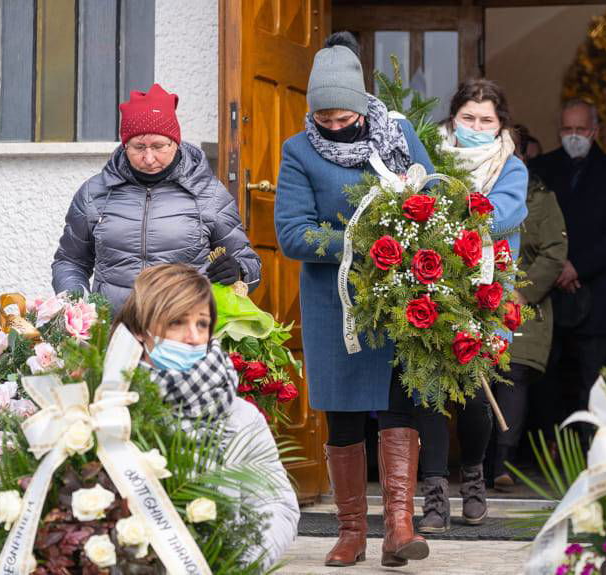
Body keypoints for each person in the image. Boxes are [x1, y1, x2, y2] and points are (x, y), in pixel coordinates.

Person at [273, 32, 434, 568]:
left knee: (397, 404)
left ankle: (399, 528)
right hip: (334, 303)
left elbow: (433, 194)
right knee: (342, 415)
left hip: (398, 297)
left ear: (363, 107)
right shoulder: (298, 151)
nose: (335, 126)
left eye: (344, 118)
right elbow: (293, 233)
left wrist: (415, 235)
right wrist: (362, 241)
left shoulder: (398, 135)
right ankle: (350, 532)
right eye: (324, 119)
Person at [114, 263, 299, 571]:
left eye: (202, 324)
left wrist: (235, 565)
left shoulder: (241, 417)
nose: (192, 337)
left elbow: (275, 506)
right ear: (140, 330)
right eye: (176, 322)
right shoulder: (106, 410)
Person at [414, 78, 529, 533]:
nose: (476, 127)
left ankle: (474, 478)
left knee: (477, 396)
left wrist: (444, 211)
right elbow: (412, 203)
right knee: (429, 390)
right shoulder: (431, 157)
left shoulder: (511, 168)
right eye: (468, 118)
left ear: (500, 125)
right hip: (430, 284)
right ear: (454, 117)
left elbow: (499, 216)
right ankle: (435, 491)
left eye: (486, 120)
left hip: (487, 293)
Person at [52, 83, 260, 313]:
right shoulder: (94, 193)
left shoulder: (208, 193)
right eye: (138, 147)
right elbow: (70, 262)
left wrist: (239, 271)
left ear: (175, 142)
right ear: (125, 145)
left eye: (159, 146)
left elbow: (249, 263)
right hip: (114, 327)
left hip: (186, 326)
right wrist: (76, 307)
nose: (149, 158)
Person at [529, 100, 606, 424]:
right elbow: (531, 226)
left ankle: (593, 447)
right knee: (545, 386)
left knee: (595, 386)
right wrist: (557, 265)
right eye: (567, 129)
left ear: (595, 131)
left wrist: (577, 266)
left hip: (597, 297)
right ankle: (547, 446)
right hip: (547, 295)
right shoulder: (541, 170)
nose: (573, 135)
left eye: (581, 129)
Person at [489, 130, 568, 492]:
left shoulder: (541, 198)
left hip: (521, 307)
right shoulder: (469, 190)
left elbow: (554, 252)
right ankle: (474, 463)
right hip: (477, 301)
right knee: (475, 378)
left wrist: (522, 293)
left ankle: (502, 461)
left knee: (512, 373)